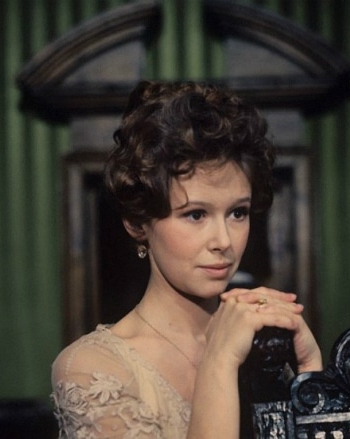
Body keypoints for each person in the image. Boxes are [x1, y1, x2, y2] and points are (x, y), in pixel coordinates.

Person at [51, 80, 322, 438]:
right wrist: (219, 362)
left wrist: (310, 371)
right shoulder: (91, 368)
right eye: (195, 214)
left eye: (238, 213)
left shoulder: (264, 344)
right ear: (137, 222)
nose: (224, 241)